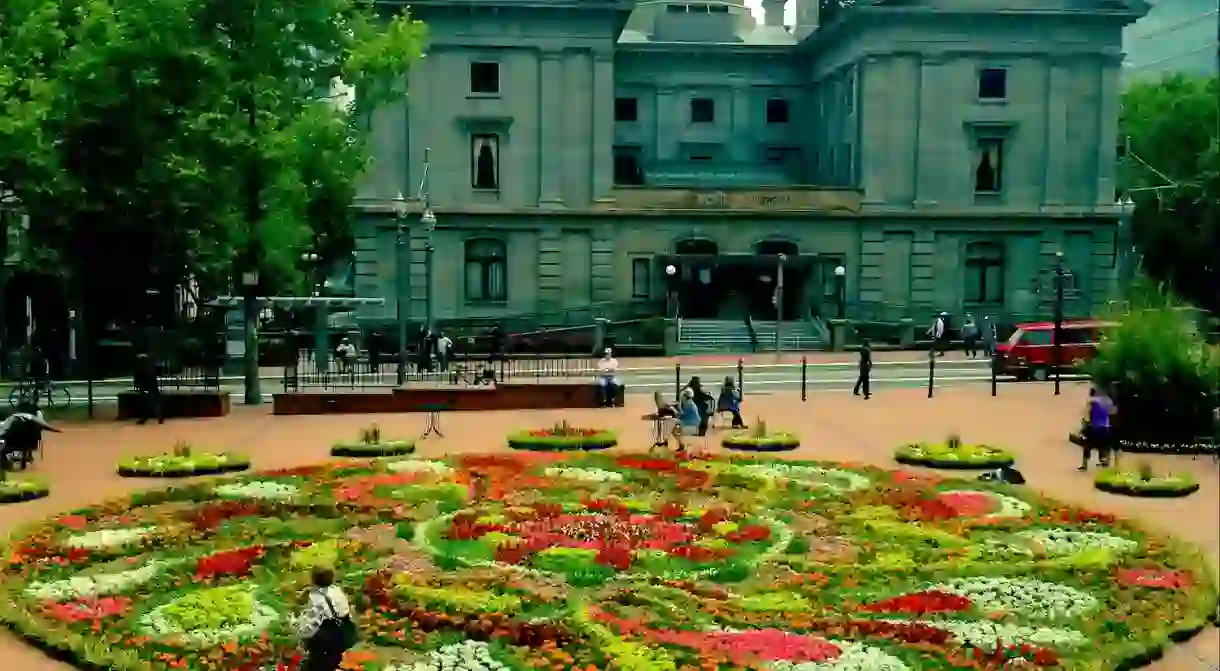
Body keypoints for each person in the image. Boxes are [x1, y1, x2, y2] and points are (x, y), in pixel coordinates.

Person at [294, 566, 356, 671]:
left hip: (329, 638)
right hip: (347, 631)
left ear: (313, 579)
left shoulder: (316, 599)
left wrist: (300, 635)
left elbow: (310, 625)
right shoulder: (337, 590)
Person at [0, 404, 60, 470]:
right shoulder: (29, 417)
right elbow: (44, 425)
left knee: (3, 448)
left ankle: (7, 464)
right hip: (27, 442)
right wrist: (55, 430)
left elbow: (4, 430)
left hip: (14, 441)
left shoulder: (13, 418)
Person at [1081, 385, 1115, 471]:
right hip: (1105, 427)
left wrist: (1085, 424)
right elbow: (1113, 412)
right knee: (1104, 445)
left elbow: (1086, 415)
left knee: (1087, 445)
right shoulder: (1108, 400)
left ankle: (1085, 464)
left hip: (1094, 427)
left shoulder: (1091, 401)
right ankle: (1104, 461)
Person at [132, 352, 164, 425]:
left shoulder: (141, 365)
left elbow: (138, 375)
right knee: (155, 401)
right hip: (152, 384)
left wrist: (136, 384)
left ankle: (144, 417)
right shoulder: (151, 364)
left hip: (145, 385)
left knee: (145, 402)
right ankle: (159, 416)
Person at [676, 387, 702, 456]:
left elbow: (682, 415)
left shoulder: (688, 404)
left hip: (690, 422)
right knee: (675, 427)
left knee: (674, 429)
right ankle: (681, 445)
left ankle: (681, 445)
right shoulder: (690, 403)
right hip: (694, 421)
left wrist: (675, 412)